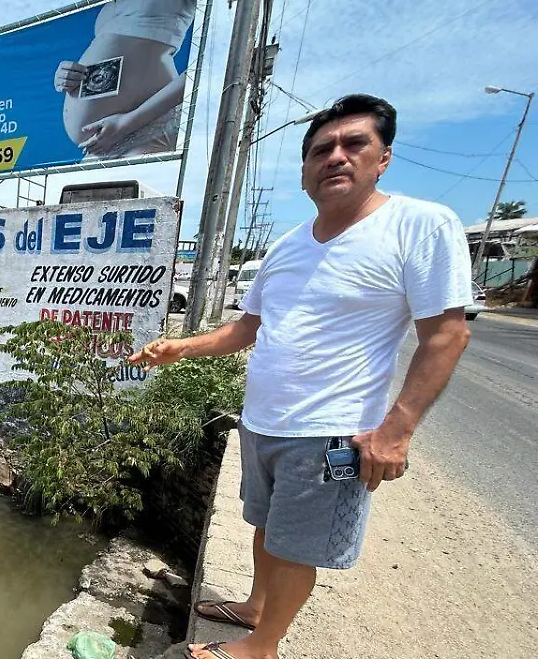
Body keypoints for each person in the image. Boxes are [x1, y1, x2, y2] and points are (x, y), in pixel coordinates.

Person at [129, 94, 473, 659]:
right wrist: (179, 347)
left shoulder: (420, 225)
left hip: (330, 430)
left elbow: (447, 335)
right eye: (321, 150)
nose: (335, 157)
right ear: (305, 171)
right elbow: (245, 330)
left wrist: (396, 430)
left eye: (353, 144)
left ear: (383, 157)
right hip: (263, 421)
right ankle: (255, 607)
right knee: (267, 528)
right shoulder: (286, 247)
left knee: (296, 549)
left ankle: (260, 647)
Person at [53, 0, 197, 159]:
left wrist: (126, 123)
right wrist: (65, 76)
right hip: (97, 146)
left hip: (149, 127)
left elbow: (206, 66)